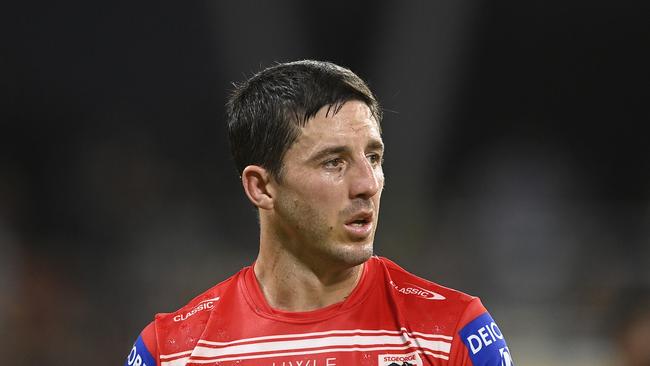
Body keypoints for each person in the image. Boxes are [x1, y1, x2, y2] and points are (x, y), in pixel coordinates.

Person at [124, 60, 514, 366]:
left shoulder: (453, 334)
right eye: (333, 162)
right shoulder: (172, 351)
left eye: (373, 157)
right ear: (261, 187)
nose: (368, 184)